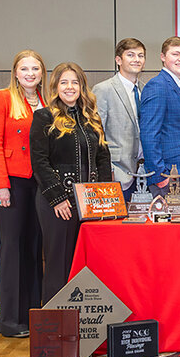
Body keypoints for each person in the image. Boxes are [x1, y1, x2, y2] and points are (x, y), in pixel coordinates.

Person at [30, 62, 112, 304]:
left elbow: (103, 158)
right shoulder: (44, 116)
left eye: (75, 82)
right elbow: (40, 162)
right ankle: (54, 327)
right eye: (64, 82)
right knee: (59, 264)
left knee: (87, 264)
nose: (69, 87)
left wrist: (104, 197)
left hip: (89, 204)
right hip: (58, 204)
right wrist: (57, 198)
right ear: (55, 86)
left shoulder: (91, 117)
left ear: (82, 87)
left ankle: (83, 322)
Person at [0, 50, 46, 338]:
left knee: (34, 249)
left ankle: (33, 313)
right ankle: (10, 319)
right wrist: (0, 185)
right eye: (25, 68)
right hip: (13, 182)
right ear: (15, 72)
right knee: (12, 249)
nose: (30, 73)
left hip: (40, 184)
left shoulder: (47, 101)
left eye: (35, 68)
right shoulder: (1, 98)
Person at [140, 36, 180, 206]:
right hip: (168, 179)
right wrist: (159, 176)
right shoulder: (157, 86)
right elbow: (149, 135)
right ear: (162, 57)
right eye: (175, 54)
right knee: (168, 231)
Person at [92, 38, 146, 201]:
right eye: (131, 55)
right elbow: (96, 134)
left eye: (141, 55)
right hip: (117, 173)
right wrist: (108, 169)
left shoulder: (145, 89)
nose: (136, 59)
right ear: (118, 59)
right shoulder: (103, 89)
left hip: (142, 173)